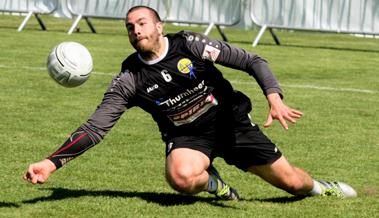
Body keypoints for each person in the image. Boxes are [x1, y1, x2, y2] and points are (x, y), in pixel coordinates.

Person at [24, 6, 357, 200]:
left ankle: (322, 188)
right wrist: (52, 163)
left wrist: (274, 97)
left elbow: (253, 60)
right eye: (130, 27)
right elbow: (95, 128)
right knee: (181, 178)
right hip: (188, 139)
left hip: (231, 124)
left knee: (294, 184)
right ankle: (217, 185)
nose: (136, 30)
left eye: (142, 23)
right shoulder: (129, 78)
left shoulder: (191, 45)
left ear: (158, 26)